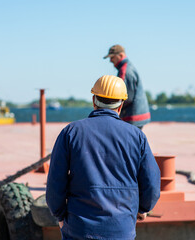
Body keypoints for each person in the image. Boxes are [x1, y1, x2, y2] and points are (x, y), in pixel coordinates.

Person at [46, 75, 160, 240]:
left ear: (94, 100)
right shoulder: (137, 136)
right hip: (121, 230)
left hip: (79, 229)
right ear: (121, 105)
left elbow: (55, 182)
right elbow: (151, 183)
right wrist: (142, 209)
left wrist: (60, 216)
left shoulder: (70, 132)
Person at [104, 44, 151, 129]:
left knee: (129, 141)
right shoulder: (128, 67)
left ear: (121, 55)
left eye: (112, 57)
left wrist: (110, 108)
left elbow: (125, 96)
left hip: (132, 116)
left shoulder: (125, 70)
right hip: (138, 114)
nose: (110, 61)